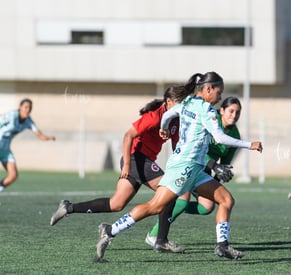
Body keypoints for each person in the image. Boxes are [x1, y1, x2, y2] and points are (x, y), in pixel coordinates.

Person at [95, 72, 263, 261]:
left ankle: (222, 246)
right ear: (208, 89)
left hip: (194, 168)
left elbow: (167, 114)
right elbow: (220, 137)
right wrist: (250, 145)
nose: (220, 97)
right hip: (185, 167)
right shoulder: (207, 111)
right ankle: (110, 230)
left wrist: (164, 128)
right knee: (155, 206)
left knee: (226, 200)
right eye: (219, 92)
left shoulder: (187, 103)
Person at [50, 86, 193, 252]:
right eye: (180, 103)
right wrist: (126, 164)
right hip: (136, 159)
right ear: (168, 102)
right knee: (170, 192)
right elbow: (128, 136)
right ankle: (160, 240)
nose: (182, 107)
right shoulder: (154, 117)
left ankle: (69, 207)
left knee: (116, 204)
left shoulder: (175, 121)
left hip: (141, 162)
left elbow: (177, 146)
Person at [145, 96, 242, 248]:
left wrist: (221, 176)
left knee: (206, 207)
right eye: (231, 111)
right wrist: (214, 166)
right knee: (180, 202)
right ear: (221, 110)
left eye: (237, 112)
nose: (234, 115)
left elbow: (225, 164)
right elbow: (198, 150)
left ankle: (170, 207)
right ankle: (154, 234)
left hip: (204, 172)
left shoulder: (235, 135)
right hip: (189, 164)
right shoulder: (210, 119)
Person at [0, 98, 55, 192]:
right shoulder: (11, 116)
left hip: (5, 150)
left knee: (13, 176)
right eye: (26, 107)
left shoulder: (28, 121)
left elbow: (39, 134)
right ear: (20, 107)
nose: (28, 109)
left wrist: (48, 137)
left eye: (30, 108)